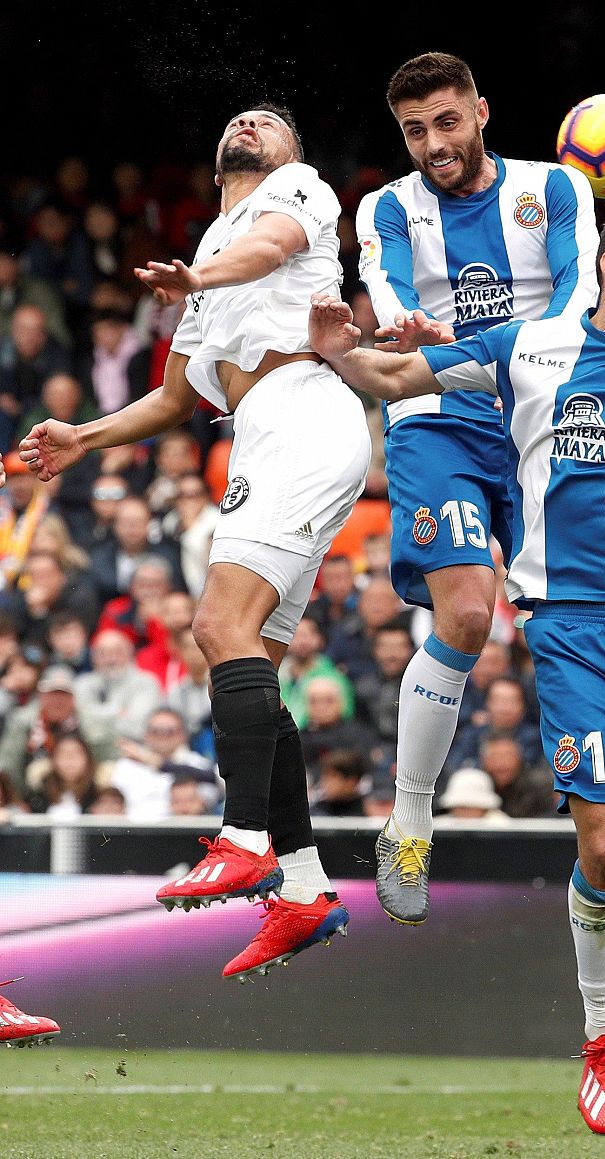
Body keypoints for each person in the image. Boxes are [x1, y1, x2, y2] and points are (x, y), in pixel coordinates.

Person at [309, 201, 605, 1135]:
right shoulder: (527, 346)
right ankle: (603, 1035)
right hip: (571, 633)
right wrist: (336, 348)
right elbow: (397, 374)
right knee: (603, 846)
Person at [19, 104, 368, 979]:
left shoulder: (294, 193)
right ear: (216, 164)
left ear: (290, 150)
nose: (251, 122)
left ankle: (246, 837)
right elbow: (178, 399)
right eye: (239, 120)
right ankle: (304, 889)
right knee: (249, 657)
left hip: (303, 408)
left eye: (270, 120)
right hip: (261, 431)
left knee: (217, 626)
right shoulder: (205, 253)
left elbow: (265, 252)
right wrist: (83, 438)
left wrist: (202, 274)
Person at [354, 51, 605, 923]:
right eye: (415, 131)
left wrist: (463, 352)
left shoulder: (557, 190)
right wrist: (411, 338)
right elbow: (390, 312)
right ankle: (410, 824)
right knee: (464, 614)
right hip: (439, 421)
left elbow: (580, 297)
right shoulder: (385, 209)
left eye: (447, 122)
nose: (433, 144)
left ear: (483, 112)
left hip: (543, 414)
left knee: (587, 619)